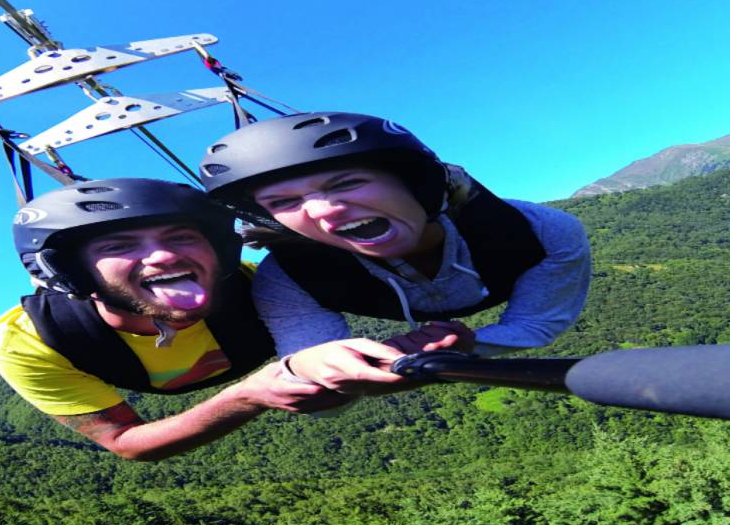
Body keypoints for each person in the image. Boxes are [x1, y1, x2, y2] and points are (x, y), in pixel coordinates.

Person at [0, 177, 434, 461]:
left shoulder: (263, 285)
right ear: (73, 273)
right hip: (198, 367)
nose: (163, 255)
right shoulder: (30, 341)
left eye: (181, 236)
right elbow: (125, 441)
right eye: (118, 246)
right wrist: (247, 397)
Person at [199, 112, 592, 361]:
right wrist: (314, 369)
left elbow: (538, 323)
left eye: (347, 182)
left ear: (416, 184)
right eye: (283, 202)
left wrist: (473, 346)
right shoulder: (290, 278)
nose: (322, 210)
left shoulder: (538, 231)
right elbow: (316, 383)